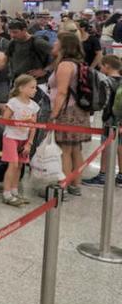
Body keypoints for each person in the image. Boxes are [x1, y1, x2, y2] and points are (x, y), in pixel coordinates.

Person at [48, 31, 90, 197]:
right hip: (79, 111)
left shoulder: (65, 65)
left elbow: (62, 92)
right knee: (75, 150)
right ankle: (75, 185)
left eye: (57, 42)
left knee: (64, 150)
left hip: (67, 111)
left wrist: (54, 114)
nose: (54, 45)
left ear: (64, 46)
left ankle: (63, 186)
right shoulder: (79, 63)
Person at [0, 74, 39, 207]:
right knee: (13, 164)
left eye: (35, 87)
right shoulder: (13, 103)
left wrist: (29, 142)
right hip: (11, 137)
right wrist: (23, 121)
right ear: (22, 88)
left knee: (20, 166)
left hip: (24, 138)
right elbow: (5, 120)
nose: (35, 90)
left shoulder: (34, 106)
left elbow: (34, 126)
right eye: (32, 87)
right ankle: (6, 193)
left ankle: (14, 190)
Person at [84, 55, 122, 186]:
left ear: (107, 66)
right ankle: (121, 176)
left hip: (109, 120)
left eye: (101, 66)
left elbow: (102, 103)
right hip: (121, 120)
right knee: (120, 146)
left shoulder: (105, 82)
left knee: (105, 147)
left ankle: (102, 175)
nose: (100, 68)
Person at [6, 19, 53, 85]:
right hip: (17, 82)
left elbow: (60, 55)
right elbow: (6, 61)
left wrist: (46, 70)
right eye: (10, 32)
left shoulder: (38, 42)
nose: (12, 35)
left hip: (35, 83)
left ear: (24, 30)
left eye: (15, 32)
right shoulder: (12, 43)